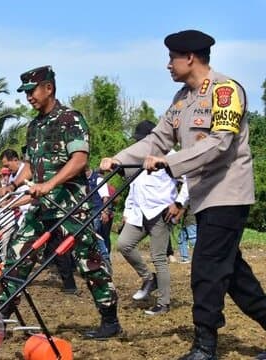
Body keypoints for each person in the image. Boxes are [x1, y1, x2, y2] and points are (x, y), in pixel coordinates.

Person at [100, 30, 266, 359]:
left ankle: (205, 345)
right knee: (234, 276)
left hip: (228, 194)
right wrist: (120, 158)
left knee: (206, 268)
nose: (168, 65)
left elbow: (220, 143)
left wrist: (169, 162)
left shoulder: (225, 91)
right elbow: (157, 139)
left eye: (172, 58)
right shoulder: (181, 100)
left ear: (189, 58)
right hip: (205, 197)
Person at [3, 65, 121, 340]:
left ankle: (109, 318)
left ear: (49, 88)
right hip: (42, 206)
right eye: (25, 92)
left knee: (87, 260)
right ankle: (1, 316)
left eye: (31, 91)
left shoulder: (70, 119)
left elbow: (79, 160)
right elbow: (32, 166)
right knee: (18, 253)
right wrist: (13, 187)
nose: (28, 97)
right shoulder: (33, 126)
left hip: (70, 205)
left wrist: (50, 185)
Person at [115, 121, 189, 316]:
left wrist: (179, 203)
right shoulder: (137, 157)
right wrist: (127, 210)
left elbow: (189, 180)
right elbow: (133, 185)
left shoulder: (171, 156)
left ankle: (164, 303)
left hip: (160, 212)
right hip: (139, 212)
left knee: (159, 258)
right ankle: (149, 278)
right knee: (124, 244)